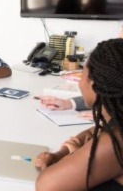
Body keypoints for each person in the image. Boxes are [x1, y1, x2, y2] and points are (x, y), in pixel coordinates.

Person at [35, 38, 123, 191]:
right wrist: (60, 153)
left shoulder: (116, 140)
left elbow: (45, 186)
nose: (79, 82)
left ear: (94, 85)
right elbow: (95, 130)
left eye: (82, 74)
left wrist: (75, 155)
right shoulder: (116, 123)